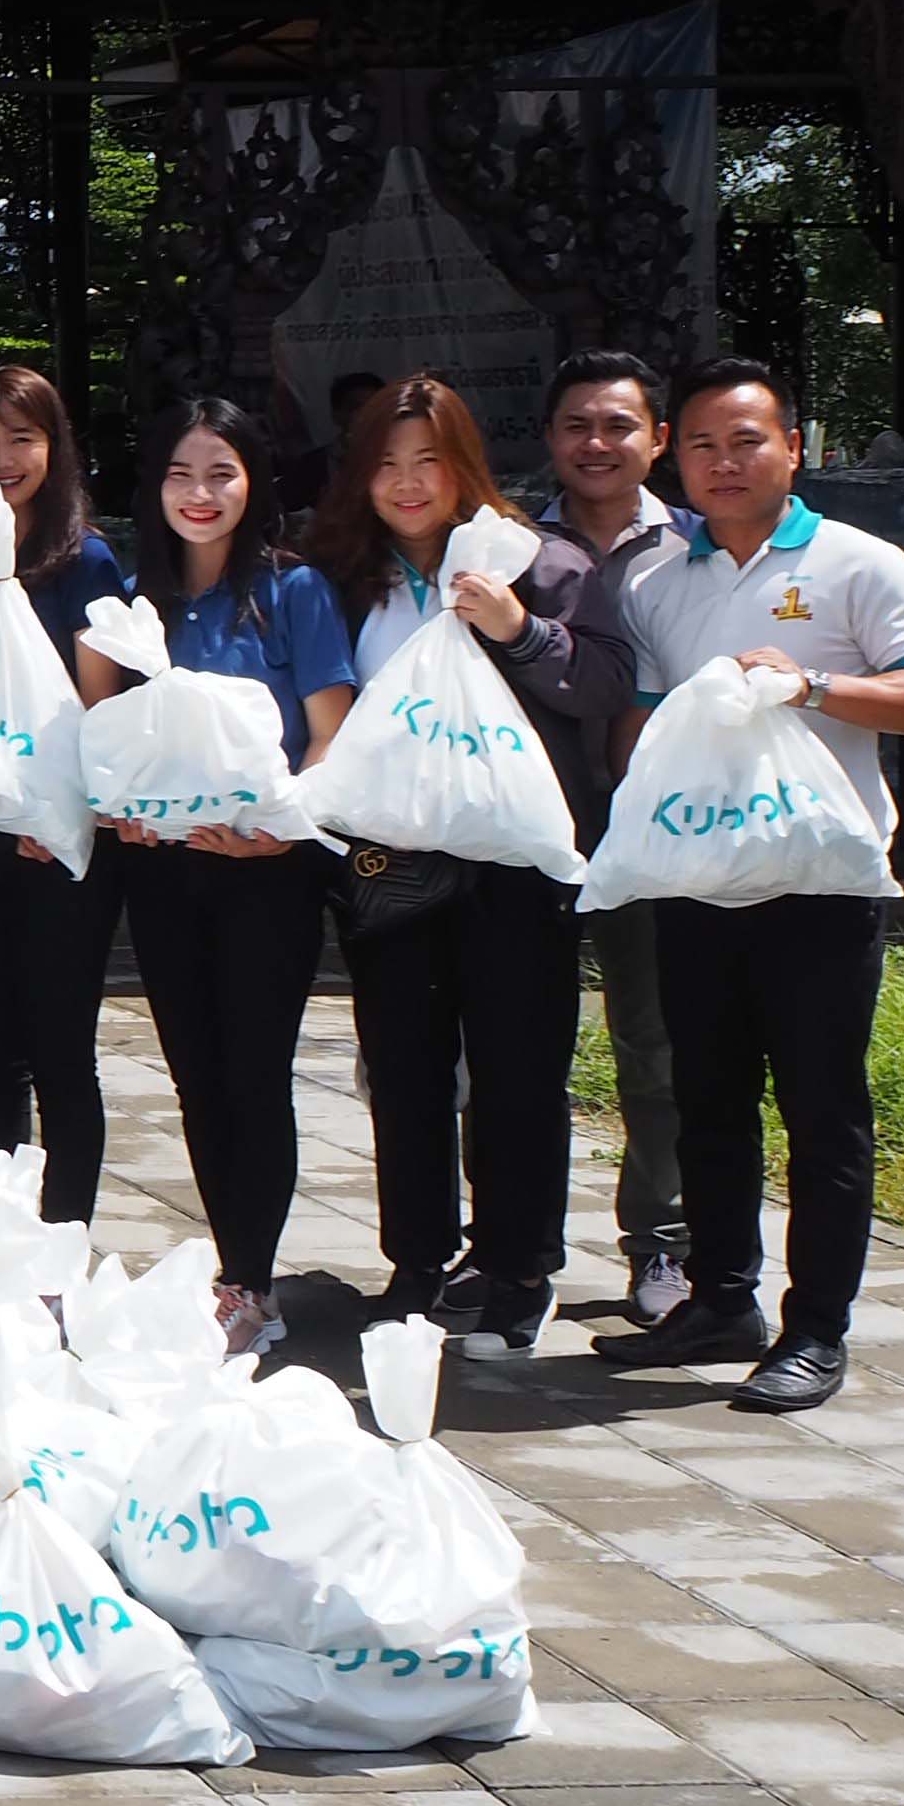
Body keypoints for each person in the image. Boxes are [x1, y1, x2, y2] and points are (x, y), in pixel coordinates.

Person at [592, 358, 904, 1413]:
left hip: (821, 888)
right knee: (705, 1103)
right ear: (676, 454)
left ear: (794, 449)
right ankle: (721, 1300)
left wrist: (815, 686)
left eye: (747, 441)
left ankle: (817, 1329)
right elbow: (649, 722)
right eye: (702, 444)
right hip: (701, 883)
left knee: (821, 1110)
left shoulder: (860, 564)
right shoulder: (656, 580)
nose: (723, 463)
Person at [305, 371, 629, 1360]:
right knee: (401, 1069)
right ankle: (416, 1261)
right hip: (385, 864)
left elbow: (604, 681)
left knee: (518, 1069)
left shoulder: (539, 561)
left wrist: (517, 630)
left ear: (464, 468)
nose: (407, 485)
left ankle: (518, 1266)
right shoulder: (337, 575)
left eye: (428, 463)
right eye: (386, 465)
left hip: (514, 867)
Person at [82, 399, 356, 1359]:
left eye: (222, 473)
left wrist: (285, 836)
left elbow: (328, 732)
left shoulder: (293, 591)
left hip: (264, 877)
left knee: (253, 1074)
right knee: (197, 1077)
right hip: (162, 874)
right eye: (180, 474)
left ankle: (252, 1278)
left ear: (255, 482)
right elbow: (102, 728)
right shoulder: (133, 596)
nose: (200, 495)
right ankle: (233, 1267)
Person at [0, 365, 133, 1225]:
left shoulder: (85, 560)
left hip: (62, 841)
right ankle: (1, 1233)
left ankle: (65, 1239)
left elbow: (102, 704)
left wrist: (71, 812)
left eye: (22, 438)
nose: (2, 458)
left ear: (55, 447)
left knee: (61, 1052)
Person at [543, 349, 686, 1319]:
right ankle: (512, 1246)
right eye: (578, 426)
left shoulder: (699, 553)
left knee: (655, 1038)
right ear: (551, 439)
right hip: (535, 821)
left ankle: (663, 1242)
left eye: (619, 425)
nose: (598, 443)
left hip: (662, 828)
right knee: (516, 1042)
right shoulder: (509, 546)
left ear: (657, 439)